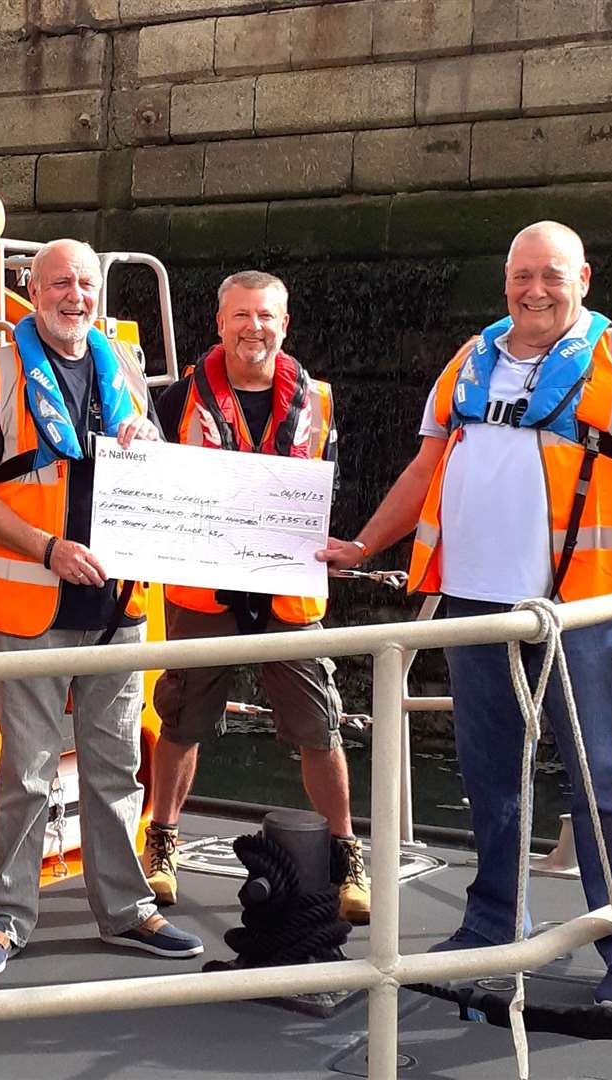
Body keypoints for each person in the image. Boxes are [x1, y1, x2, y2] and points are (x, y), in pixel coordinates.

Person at [318, 221, 612, 1007]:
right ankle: (492, 928)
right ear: (505, 280)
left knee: (604, 785)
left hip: (580, 612)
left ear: (582, 276)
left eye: (551, 275)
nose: (535, 290)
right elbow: (424, 468)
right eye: (522, 275)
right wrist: (360, 541)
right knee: (491, 778)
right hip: (474, 609)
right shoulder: (467, 360)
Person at [0, 238, 204, 978]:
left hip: (117, 605)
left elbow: (156, 463)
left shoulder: (120, 366)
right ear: (32, 287)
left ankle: (125, 910)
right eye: (59, 283)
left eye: (85, 284)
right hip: (25, 605)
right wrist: (44, 547)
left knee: (116, 767)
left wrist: (142, 441)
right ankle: (4, 918)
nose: (74, 297)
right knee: (26, 771)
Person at [146, 270, 368, 924]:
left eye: (265, 315)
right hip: (203, 589)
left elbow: (334, 487)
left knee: (318, 726)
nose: (253, 327)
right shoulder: (174, 400)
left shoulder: (319, 401)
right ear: (218, 324)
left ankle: (344, 848)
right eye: (240, 315)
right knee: (181, 719)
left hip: (286, 588)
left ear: (284, 324)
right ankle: (161, 842)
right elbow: (152, 486)